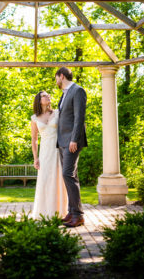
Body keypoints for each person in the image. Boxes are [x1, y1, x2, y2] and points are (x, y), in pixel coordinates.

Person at [55, 67, 88, 227]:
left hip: (72, 142)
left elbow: (79, 118)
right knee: (70, 176)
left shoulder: (78, 91)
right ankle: (71, 211)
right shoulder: (64, 94)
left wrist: (74, 139)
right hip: (62, 141)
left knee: (68, 174)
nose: (56, 82)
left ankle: (78, 215)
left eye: (56, 78)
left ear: (61, 76)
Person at [30, 91, 68, 219]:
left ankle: (61, 212)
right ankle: (45, 212)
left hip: (58, 150)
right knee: (45, 180)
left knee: (58, 179)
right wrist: (35, 158)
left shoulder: (57, 113)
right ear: (39, 100)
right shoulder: (34, 118)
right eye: (44, 95)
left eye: (48, 95)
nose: (48, 96)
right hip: (44, 152)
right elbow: (34, 139)